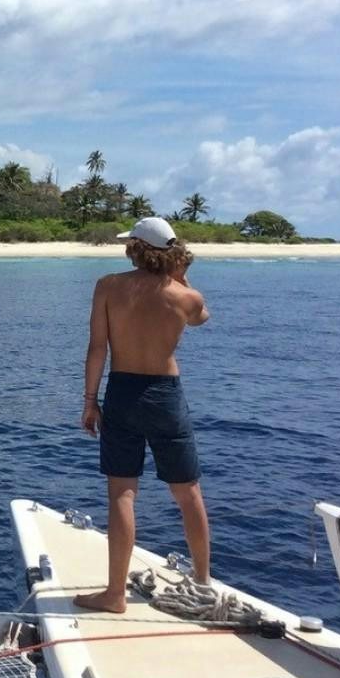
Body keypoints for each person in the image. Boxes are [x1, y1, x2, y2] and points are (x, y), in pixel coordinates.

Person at [74, 215, 211, 613]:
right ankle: (202, 583)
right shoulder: (186, 297)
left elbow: (97, 347)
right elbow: (202, 319)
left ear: (134, 248)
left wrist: (89, 400)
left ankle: (115, 594)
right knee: (188, 492)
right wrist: (181, 279)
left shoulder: (107, 287)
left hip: (122, 393)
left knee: (122, 493)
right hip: (165, 396)